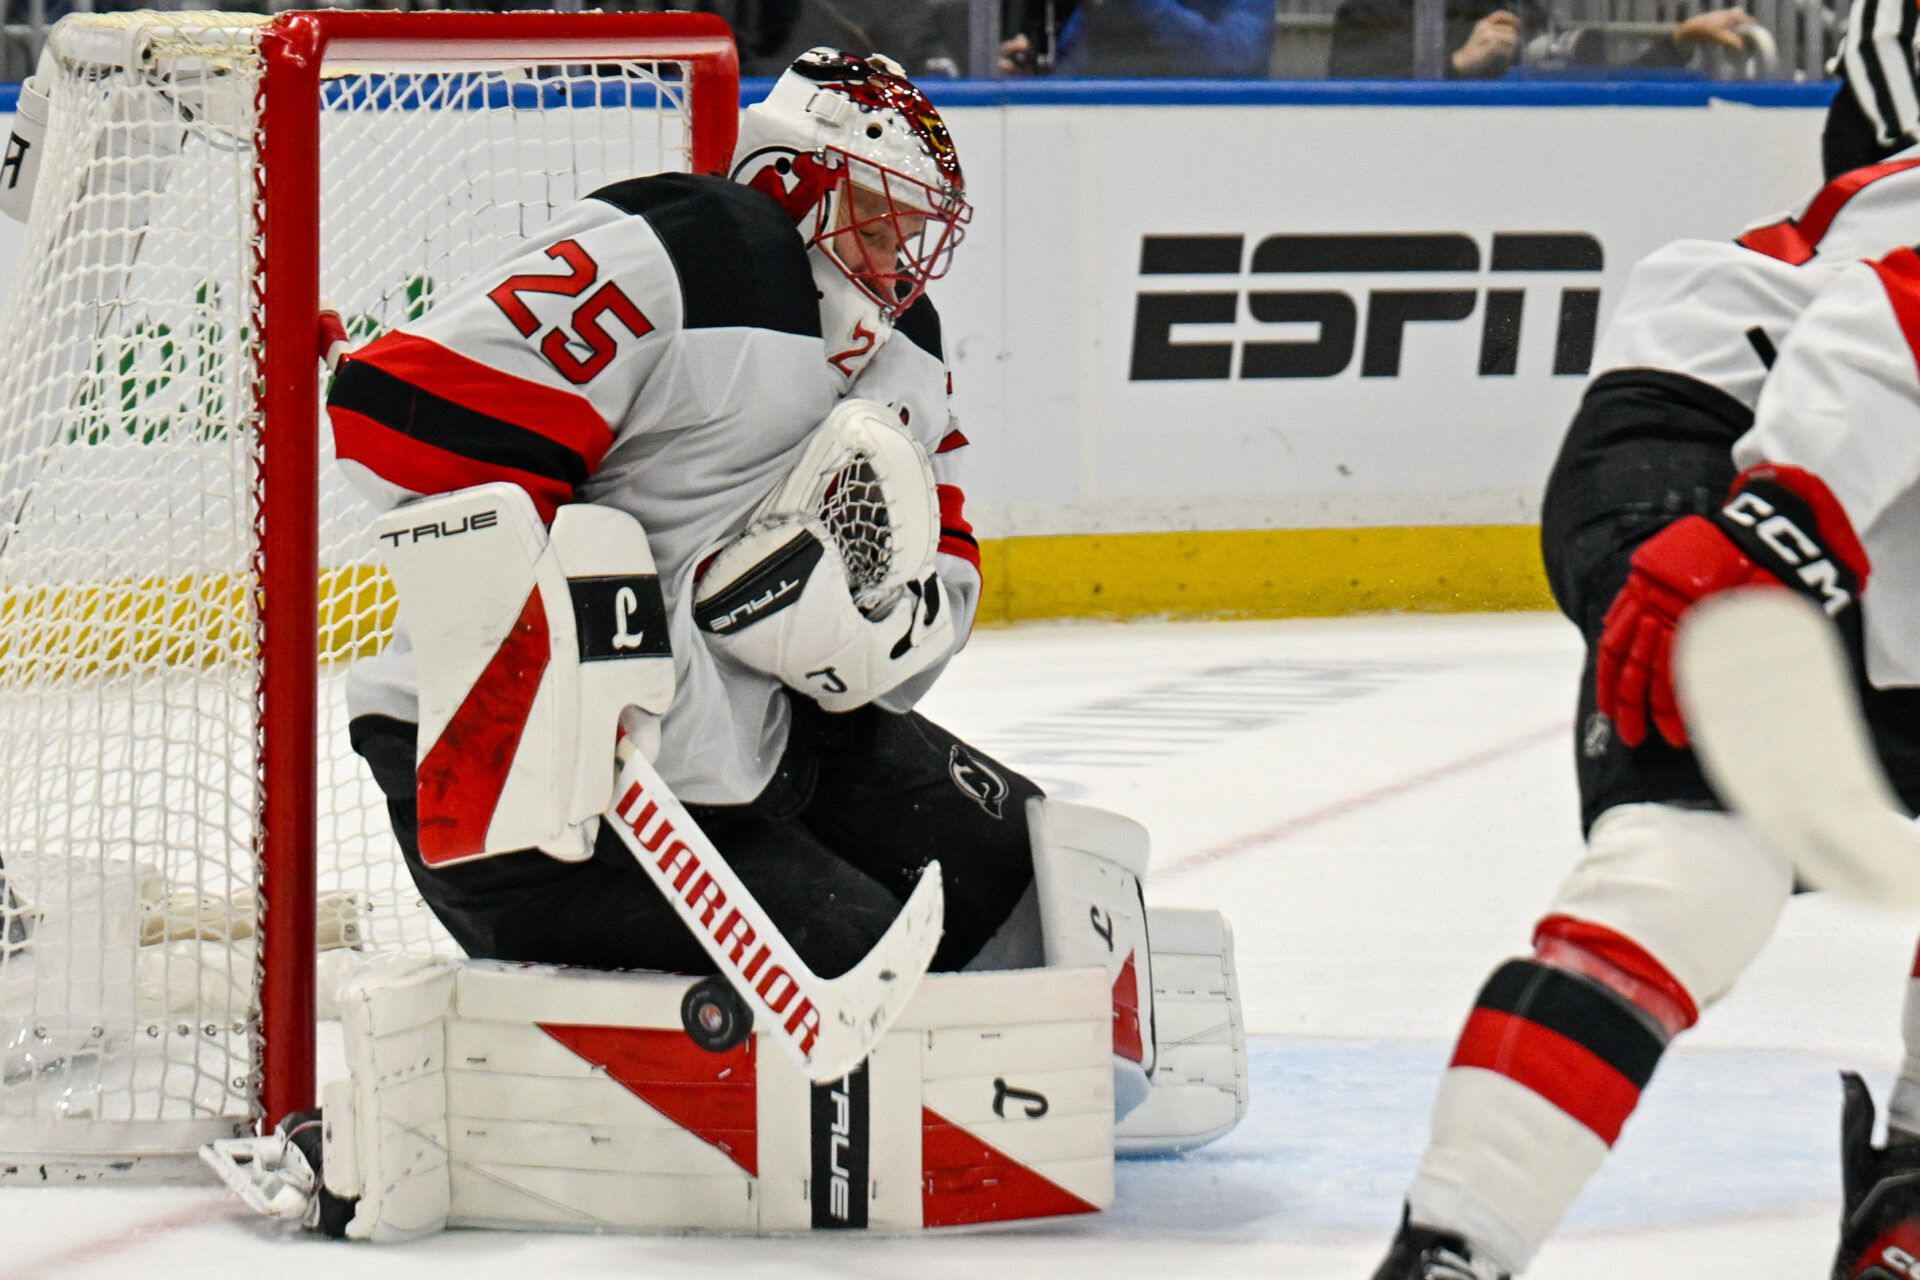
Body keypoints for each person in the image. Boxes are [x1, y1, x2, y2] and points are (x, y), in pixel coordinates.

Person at [1371, 0, 1920, 1272]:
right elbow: (1886, 325)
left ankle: (1459, 1239)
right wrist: (1779, 519)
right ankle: (1459, 1234)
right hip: (1732, 450)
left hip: (1762, 442)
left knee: (1683, 872)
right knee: (1691, 865)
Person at [326, 47, 1037, 988]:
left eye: (913, 233)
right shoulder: (701, 249)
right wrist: (578, 644)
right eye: (880, 219)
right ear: (792, 179)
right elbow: (393, 416)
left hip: (745, 743)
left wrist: (867, 634)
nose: (897, 261)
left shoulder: (906, 337)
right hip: (508, 761)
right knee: (863, 962)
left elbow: (937, 558)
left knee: (1029, 869)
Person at [1326, 0, 1751, 78]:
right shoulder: (1374, 8)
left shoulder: (1521, 11)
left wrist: (1679, 41)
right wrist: (1456, 65)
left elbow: (1591, 89)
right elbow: (1346, 97)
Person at [1049, 0, 1275, 77]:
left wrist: (1152, 6)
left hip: (1221, 140)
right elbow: (1071, 69)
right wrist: (1031, 77)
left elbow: (1230, 59)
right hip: (1121, 138)